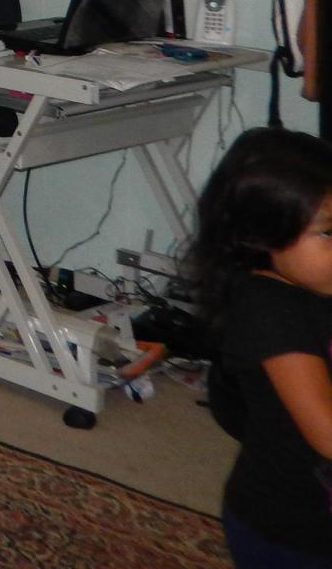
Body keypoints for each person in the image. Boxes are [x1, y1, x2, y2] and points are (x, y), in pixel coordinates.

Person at [192, 127, 332, 565]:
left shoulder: (317, 280)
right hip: (293, 536)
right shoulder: (269, 312)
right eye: (329, 233)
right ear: (260, 234)